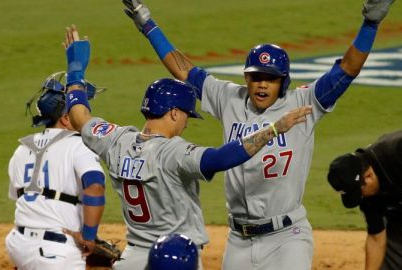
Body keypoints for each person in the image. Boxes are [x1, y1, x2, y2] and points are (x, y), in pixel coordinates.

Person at [121, 0, 395, 269]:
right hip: (239, 239)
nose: (262, 84)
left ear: (283, 81)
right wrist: (148, 24)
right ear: (246, 78)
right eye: (256, 77)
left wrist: (370, 25)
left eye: (271, 78)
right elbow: (183, 70)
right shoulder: (228, 98)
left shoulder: (305, 102)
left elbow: (347, 69)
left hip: (287, 238)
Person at [61, 25, 312, 270]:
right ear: (173, 113)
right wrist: (273, 130)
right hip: (176, 257)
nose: (186, 123)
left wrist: (75, 71)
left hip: (133, 257)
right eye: (185, 116)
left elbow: (78, 115)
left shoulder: (115, 140)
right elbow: (218, 159)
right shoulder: (174, 153)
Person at [5, 71, 106, 270]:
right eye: (81, 113)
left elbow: (23, 199)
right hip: (57, 252)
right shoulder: (79, 145)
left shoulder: (21, 149)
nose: (86, 119)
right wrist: (89, 237)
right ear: (67, 119)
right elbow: (95, 187)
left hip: (18, 245)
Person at [327, 129, 402, 270]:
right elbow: (376, 238)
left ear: (369, 176)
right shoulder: (367, 192)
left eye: (359, 192)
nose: (361, 198)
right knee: (393, 236)